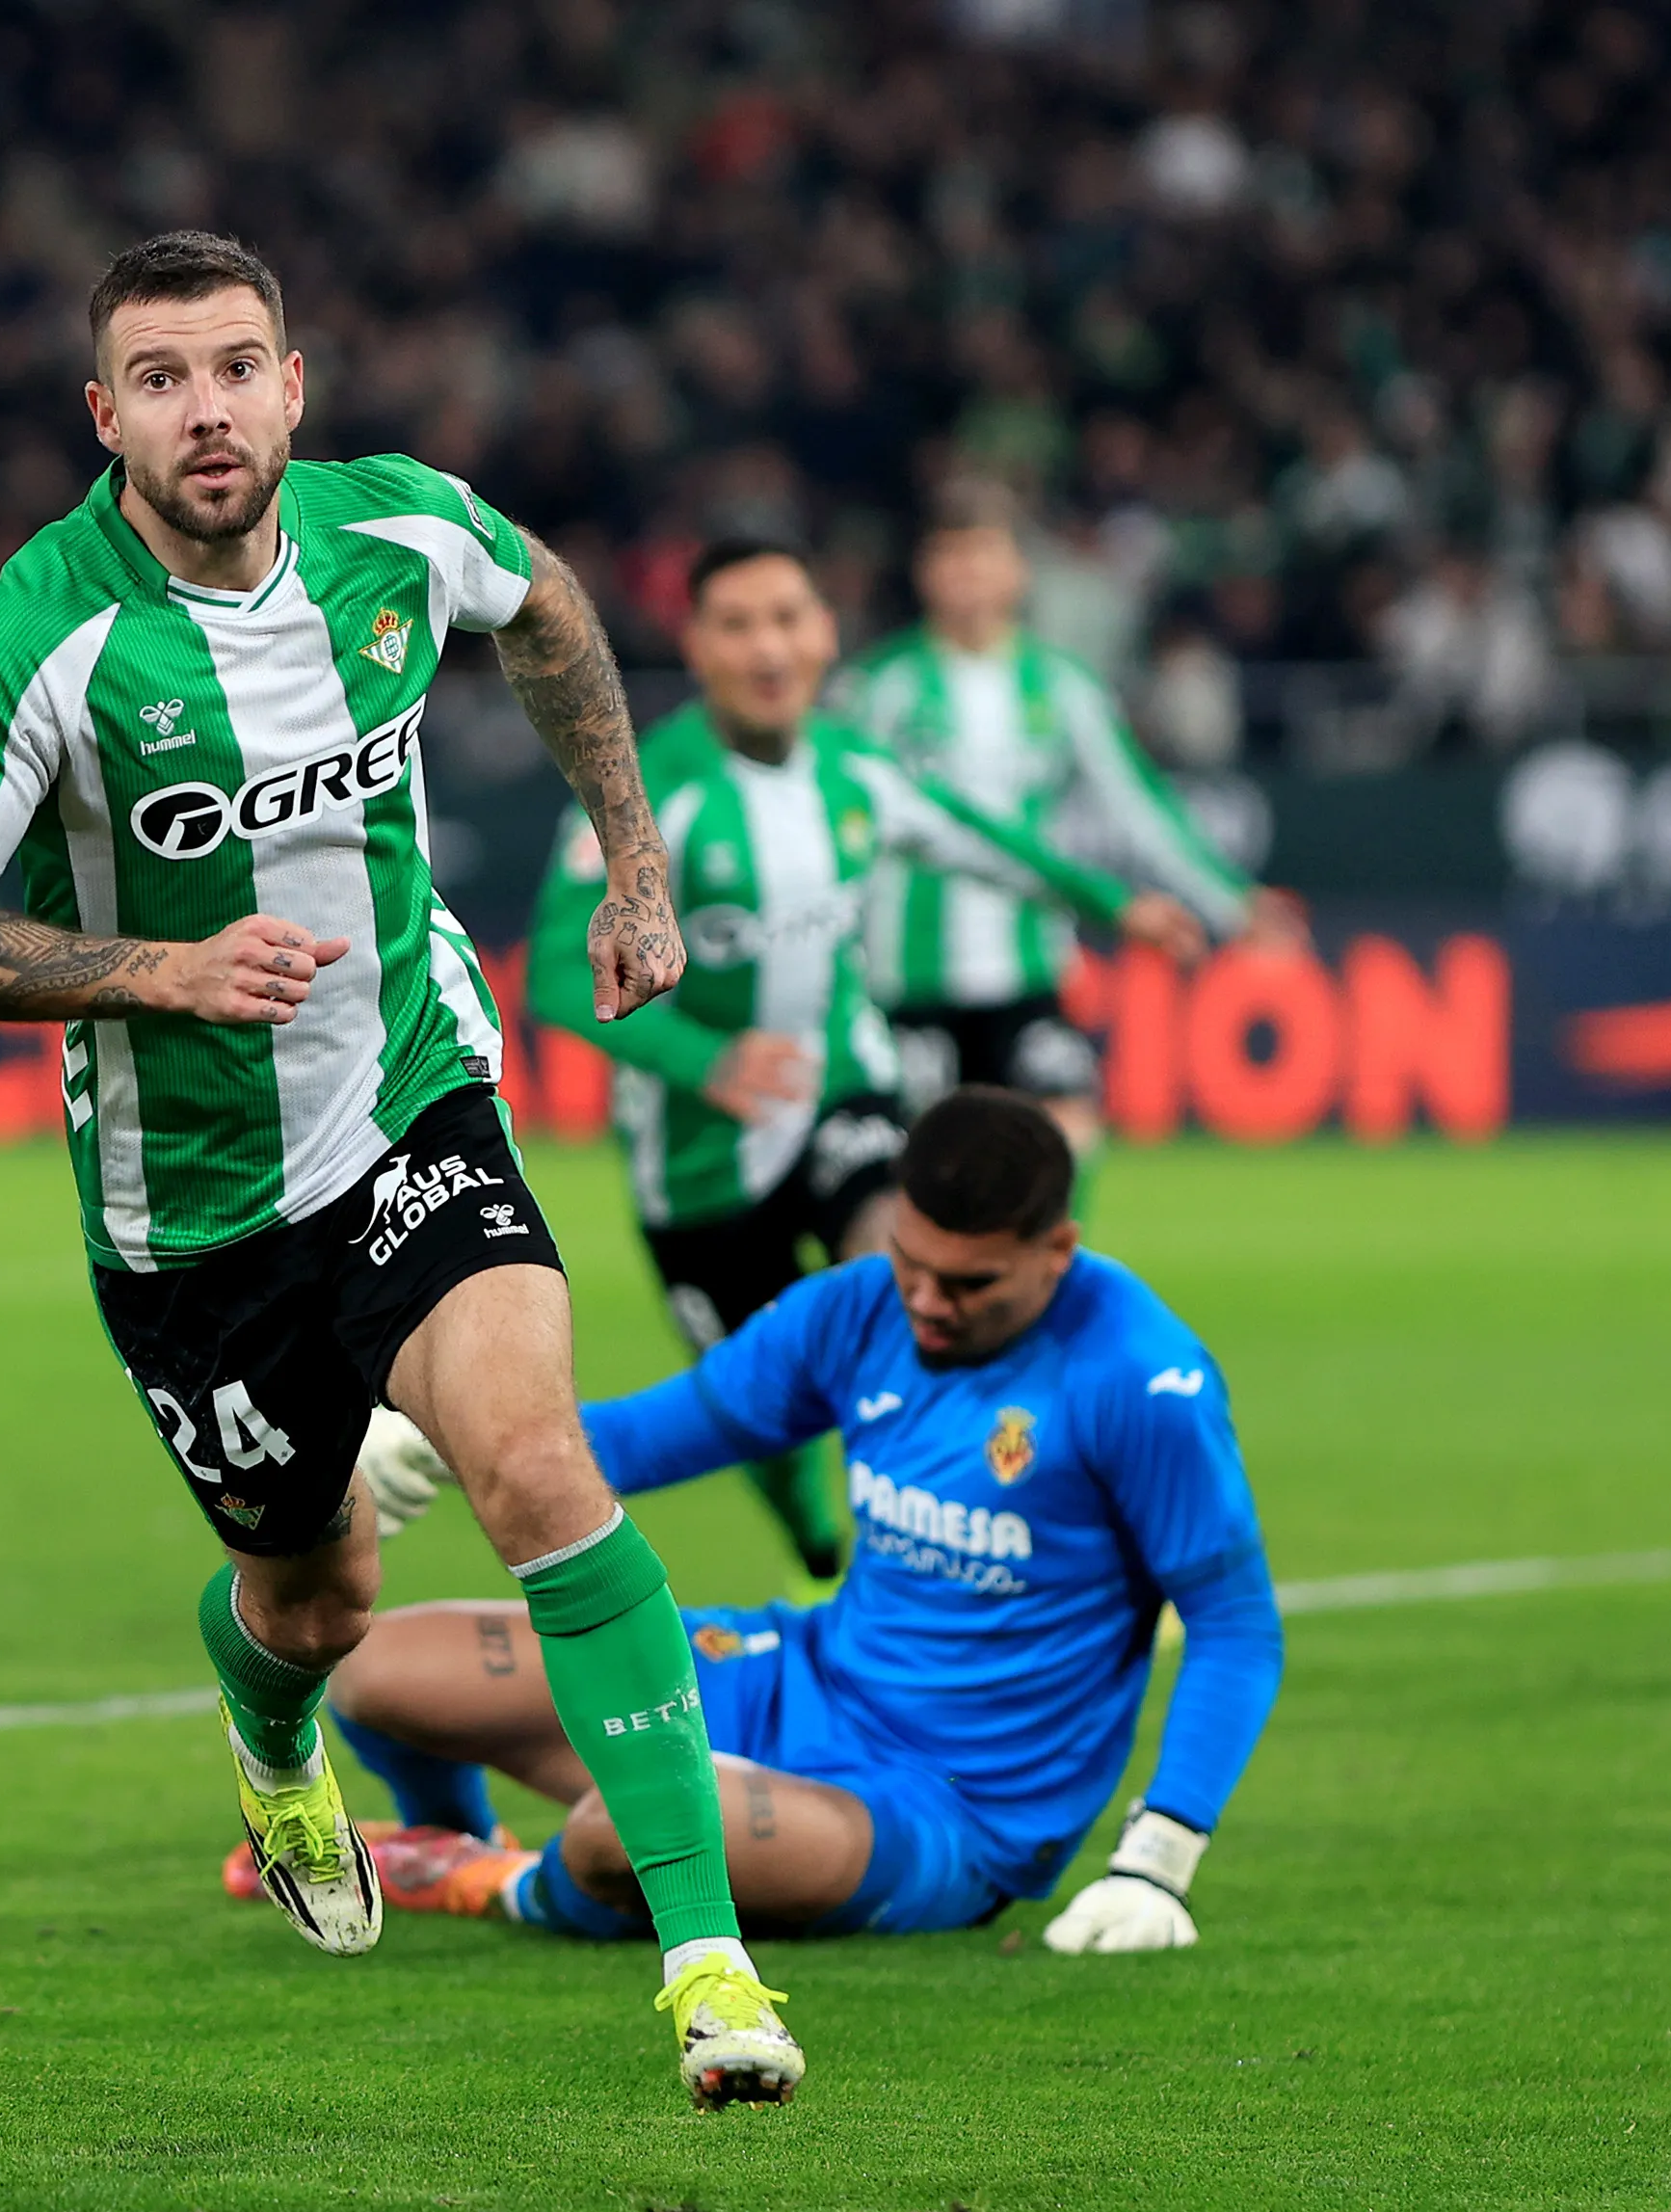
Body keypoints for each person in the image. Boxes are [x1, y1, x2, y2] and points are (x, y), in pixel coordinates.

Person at [0, 231, 799, 2107]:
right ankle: (276, 1740)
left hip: (405, 1089)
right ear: (104, 414)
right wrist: (156, 971)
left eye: (235, 368)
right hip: (191, 1204)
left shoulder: (394, 529)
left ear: (292, 386)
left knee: (537, 1464)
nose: (204, 409)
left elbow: (548, 608)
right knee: (314, 1598)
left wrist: (633, 862)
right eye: (160, 378)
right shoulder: (33, 637)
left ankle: (709, 1965)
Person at [328, 1089, 1281, 1954]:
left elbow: (1234, 1624)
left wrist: (1158, 1857)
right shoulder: (861, 1306)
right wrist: (439, 1438)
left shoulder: (1141, 1380)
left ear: (1058, 1251)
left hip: (947, 1808)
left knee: (616, 1837)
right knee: (374, 1672)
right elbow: (652, 1436)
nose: (925, 1303)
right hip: (799, 1677)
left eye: (969, 1284)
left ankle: (488, 1882)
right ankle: (450, 1831)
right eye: (910, 1262)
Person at [522, 540, 1205, 1578]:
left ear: (825, 634)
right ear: (695, 645)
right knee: (759, 1412)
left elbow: (989, 840)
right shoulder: (643, 791)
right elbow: (552, 974)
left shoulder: (855, 767)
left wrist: (1118, 905)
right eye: (739, 624)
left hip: (844, 1087)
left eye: (788, 618)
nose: (769, 647)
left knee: (903, 1269)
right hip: (700, 1159)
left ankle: (966, 1530)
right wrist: (704, 1058)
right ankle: (811, 1521)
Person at [836, 486, 1307, 1155]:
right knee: (925, 1168)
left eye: (981, 554)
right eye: (948, 556)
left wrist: (1230, 901)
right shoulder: (879, 687)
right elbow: (837, 819)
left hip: (1027, 964)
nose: (966, 573)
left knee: (1065, 1140)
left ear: (1016, 571)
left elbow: (1139, 802)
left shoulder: (1061, 685)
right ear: (924, 573)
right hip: (907, 973)